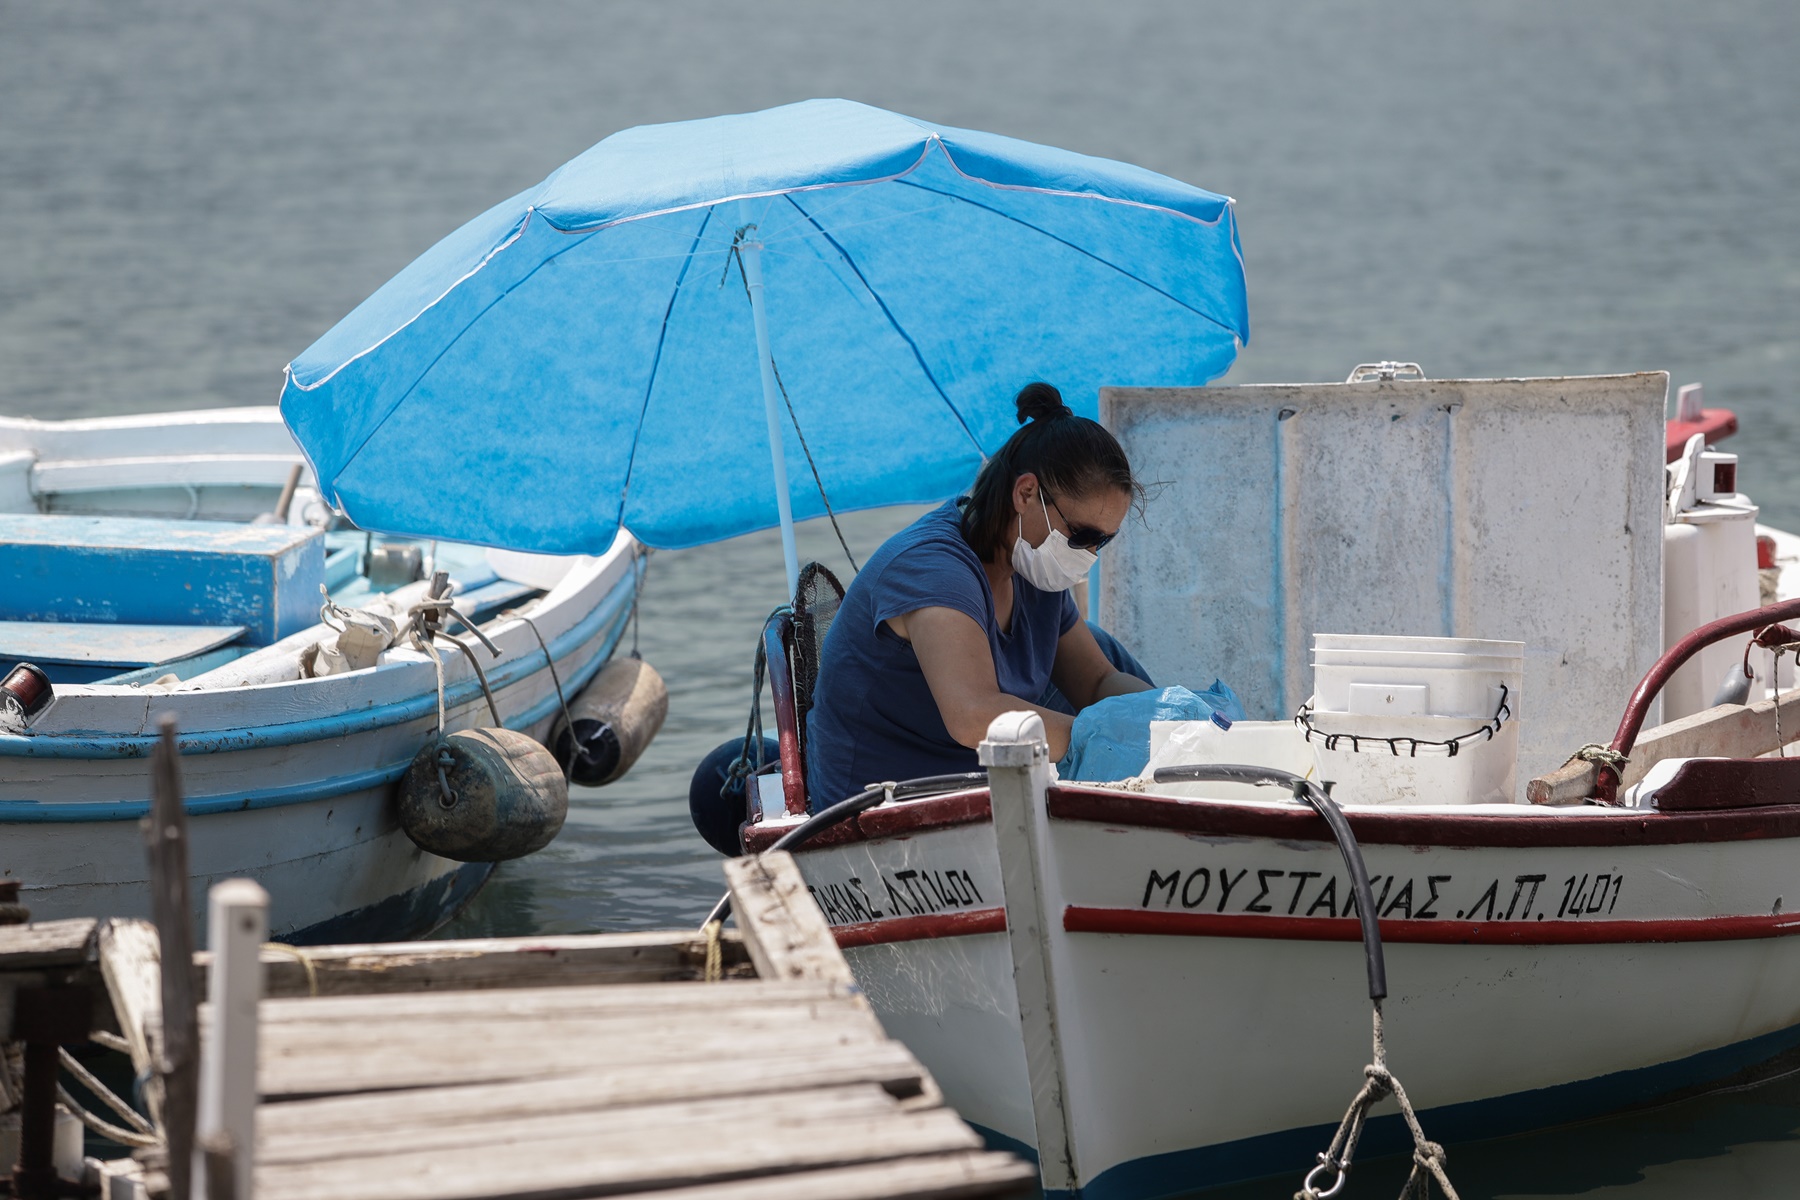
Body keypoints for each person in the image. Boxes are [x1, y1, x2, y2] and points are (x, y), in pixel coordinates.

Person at [806, 381, 1154, 808]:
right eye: (1082, 536)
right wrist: (1101, 736)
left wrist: (1168, 723)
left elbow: (1098, 680)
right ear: (1025, 494)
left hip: (978, 789)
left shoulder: (1030, 567)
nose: (1091, 554)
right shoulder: (934, 570)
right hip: (877, 806)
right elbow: (973, 714)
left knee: (1109, 658)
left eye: (1104, 541)